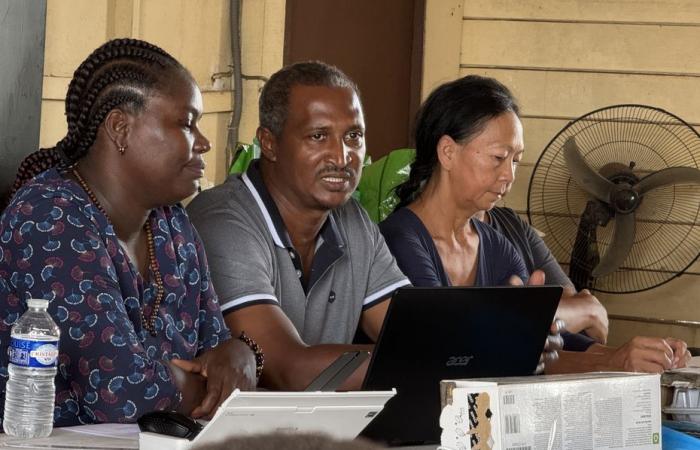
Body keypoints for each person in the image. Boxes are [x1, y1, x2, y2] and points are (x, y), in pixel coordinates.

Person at [0, 38, 258, 427]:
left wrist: (242, 353)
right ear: (120, 128)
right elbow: (123, 397)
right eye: (187, 123)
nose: (204, 143)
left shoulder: (172, 224)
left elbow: (217, 352)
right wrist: (209, 387)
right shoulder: (48, 217)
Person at [380, 74, 690, 373]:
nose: (509, 176)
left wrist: (637, 357)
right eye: (498, 157)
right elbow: (448, 345)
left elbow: (549, 343)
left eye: (515, 161)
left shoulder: (496, 244)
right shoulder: (400, 240)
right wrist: (609, 359)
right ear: (447, 152)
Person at [187, 61, 410, 391]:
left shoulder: (354, 221)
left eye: (354, 136)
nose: (342, 156)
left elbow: (415, 334)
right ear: (270, 143)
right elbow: (290, 369)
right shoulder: (224, 220)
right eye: (318, 136)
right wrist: (422, 361)